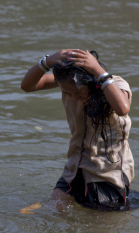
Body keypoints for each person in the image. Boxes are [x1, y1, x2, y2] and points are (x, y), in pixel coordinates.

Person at [21, 49, 133, 210]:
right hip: (75, 167)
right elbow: (27, 86)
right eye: (67, 93)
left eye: (78, 92)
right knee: (54, 208)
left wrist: (99, 71)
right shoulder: (66, 82)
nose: (73, 97)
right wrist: (45, 62)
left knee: (104, 227)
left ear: (91, 81)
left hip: (107, 173)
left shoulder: (114, 85)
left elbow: (123, 108)